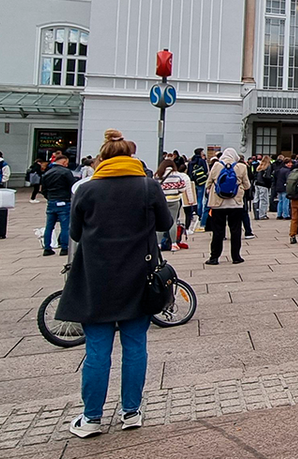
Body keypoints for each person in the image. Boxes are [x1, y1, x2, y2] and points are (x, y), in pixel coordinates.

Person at [57, 130, 171, 438]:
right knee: (135, 346)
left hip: (96, 277)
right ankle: (131, 411)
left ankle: (92, 417)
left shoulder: (86, 189)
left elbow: (76, 233)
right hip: (138, 274)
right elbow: (165, 224)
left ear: (102, 158)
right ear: (131, 158)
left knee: (97, 350)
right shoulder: (148, 186)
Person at [205, 148, 248, 265]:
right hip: (236, 203)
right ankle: (236, 256)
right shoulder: (241, 167)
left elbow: (208, 183)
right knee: (235, 230)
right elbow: (247, 185)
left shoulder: (216, 166)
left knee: (218, 231)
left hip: (218, 204)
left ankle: (214, 257)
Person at [40, 151, 78, 256]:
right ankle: (64, 248)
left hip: (51, 201)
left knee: (49, 226)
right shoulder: (66, 172)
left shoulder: (47, 173)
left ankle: (47, 248)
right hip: (64, 201)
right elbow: (73, 186)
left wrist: (49, 198)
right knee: (65, 226)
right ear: (64, 162)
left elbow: (43, 189)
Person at [156, 160, 194, 251]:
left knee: (160, 222)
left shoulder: (157, 175)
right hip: (174, 200)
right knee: (173, 221)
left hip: (162, 201)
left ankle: (158, 244)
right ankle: (173, 244)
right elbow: (182, 188)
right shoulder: (178, 175)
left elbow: (155, 187)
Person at [187, 149, 210, 229]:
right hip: (201, 181)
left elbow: (189, 172)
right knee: (200, 198)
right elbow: (206, 170)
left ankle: (195, 210)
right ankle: (200, 214)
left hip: (193, 181)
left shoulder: (191, 162)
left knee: (195, 197)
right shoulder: (202, 161)